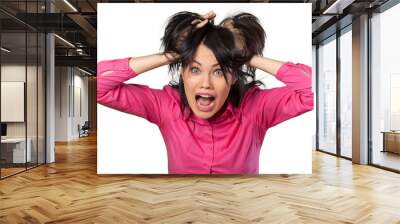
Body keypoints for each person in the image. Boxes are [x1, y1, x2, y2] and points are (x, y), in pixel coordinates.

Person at [97, 11, 314, 174]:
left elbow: (310, 90)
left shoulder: (256, 108)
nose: (206, 84)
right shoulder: (166, 106)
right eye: (195, 69)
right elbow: (100, 86)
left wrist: (244, 56)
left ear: (234, 75)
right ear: (182, 73)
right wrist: (173, 53)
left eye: (219, 71)